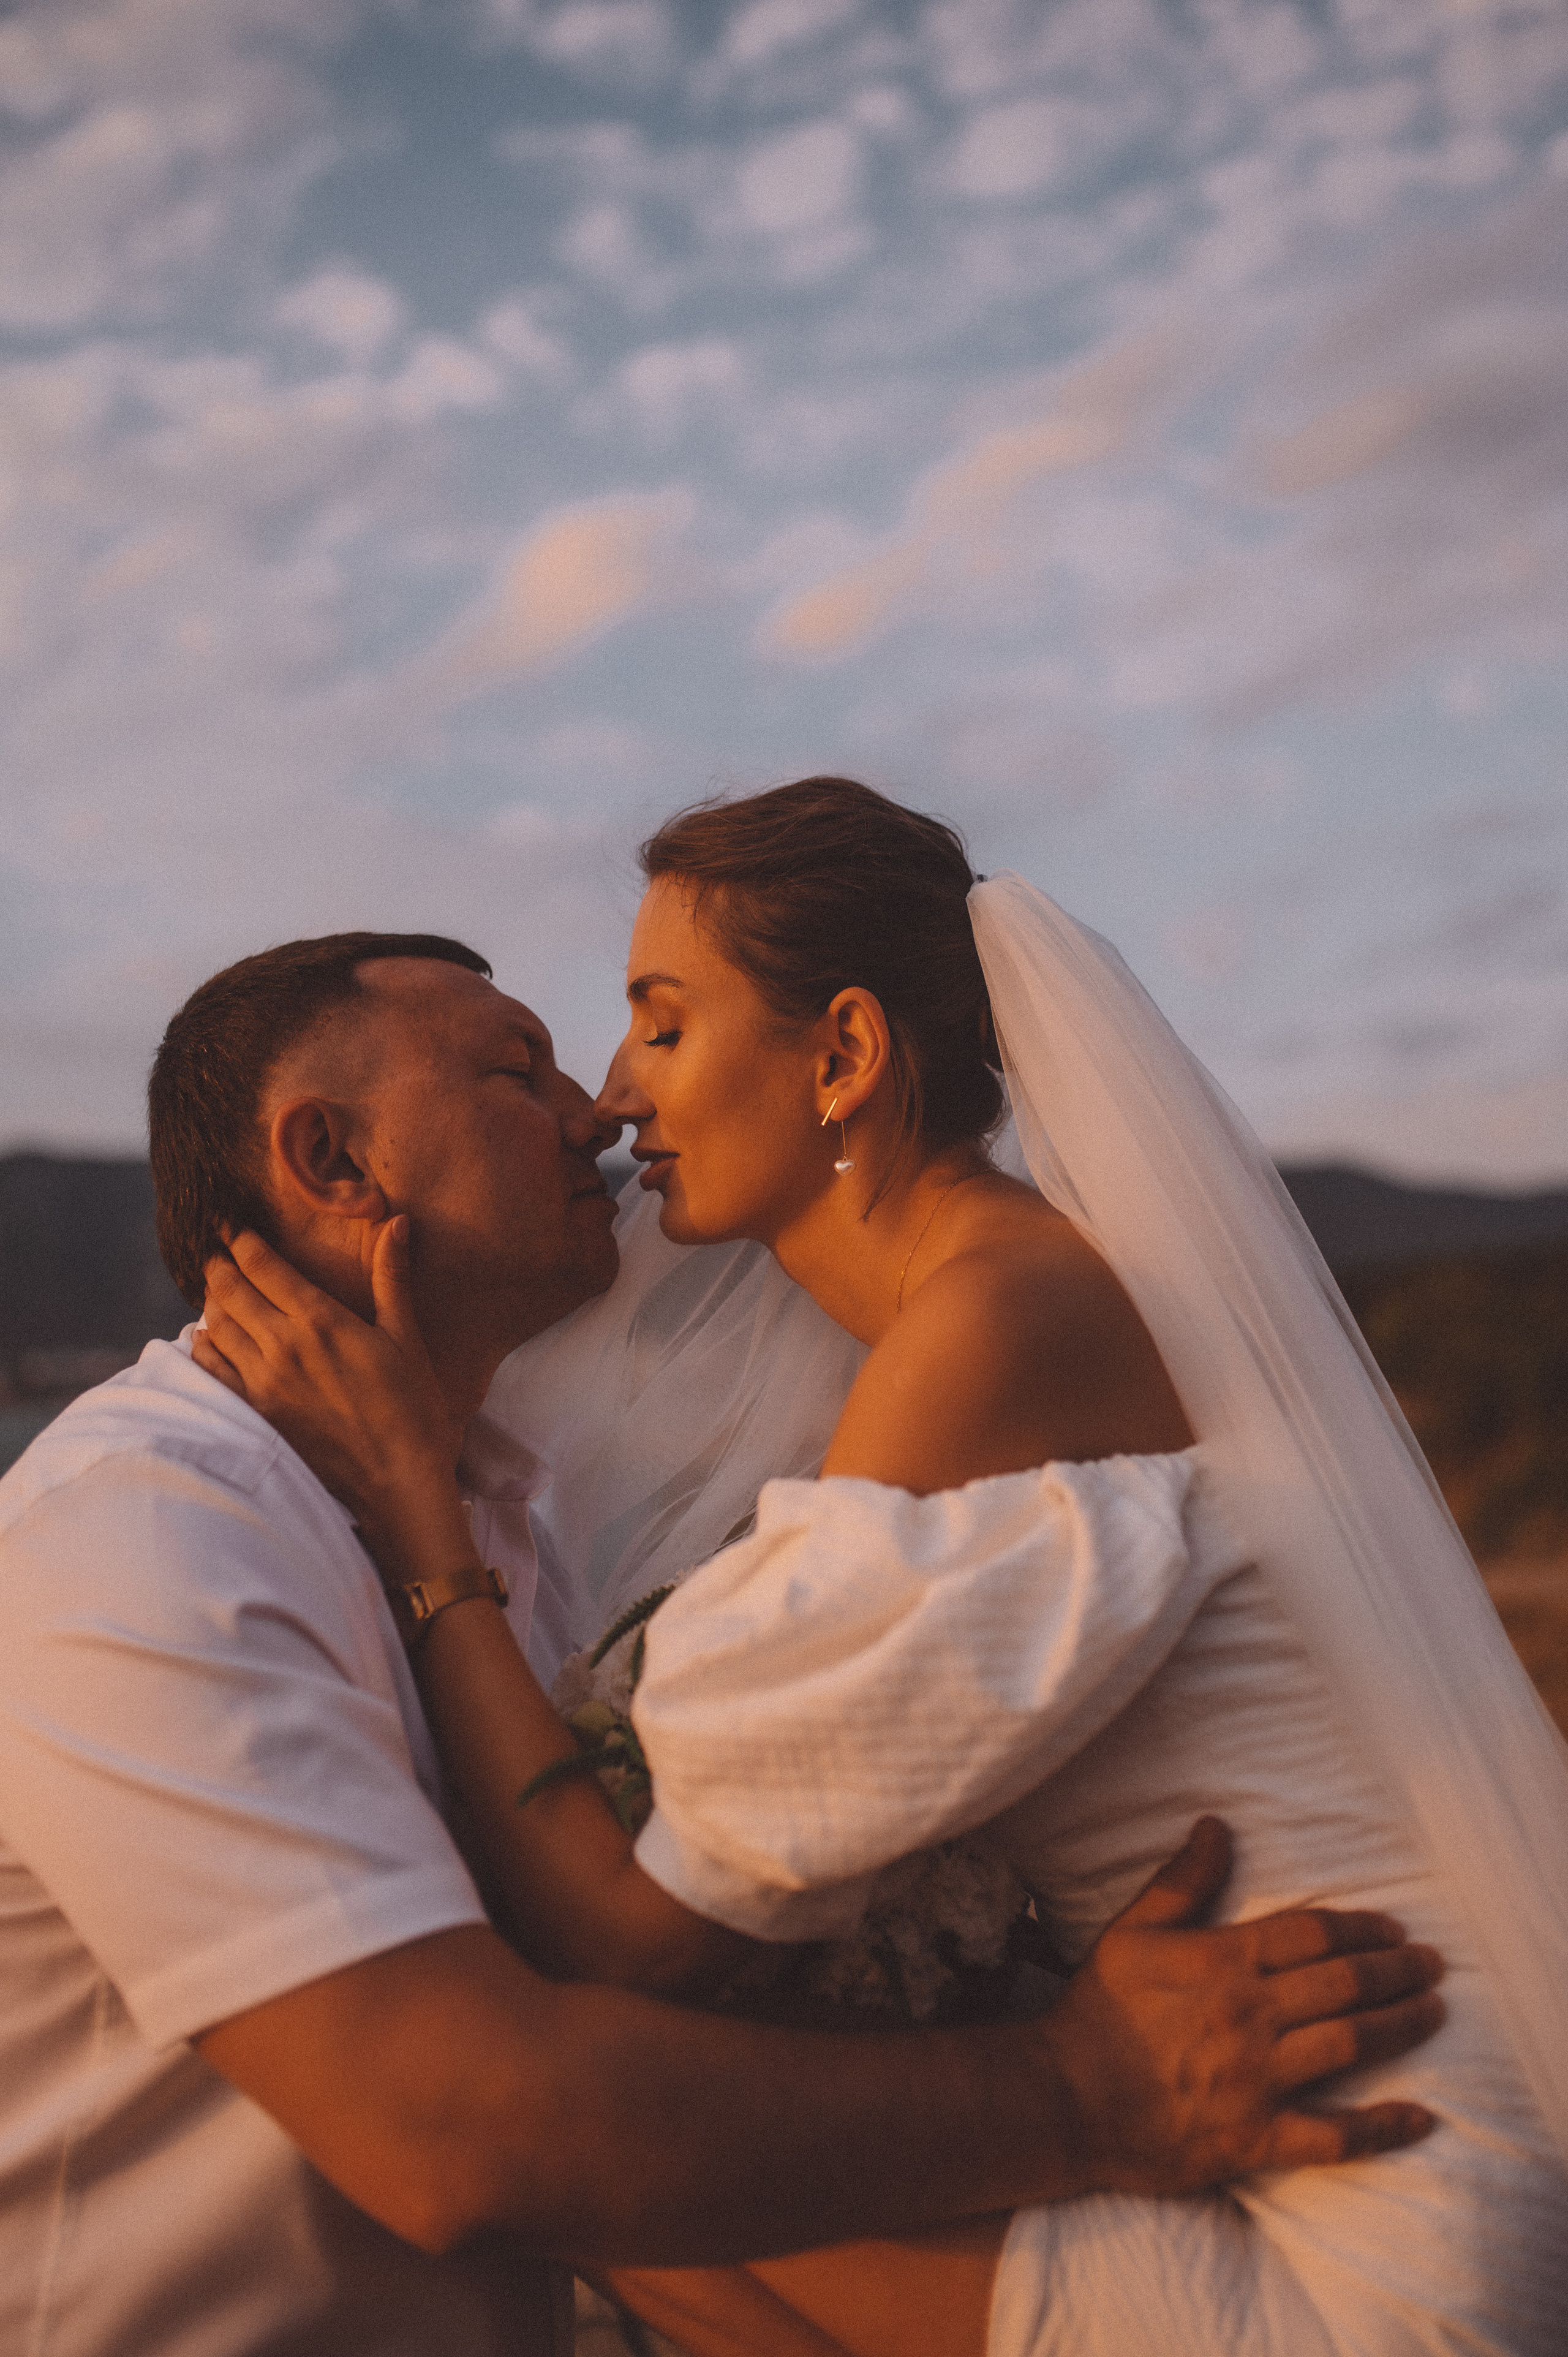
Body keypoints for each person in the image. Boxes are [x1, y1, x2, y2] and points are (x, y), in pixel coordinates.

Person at [194, 779, 1568, 2357]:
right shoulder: (991, 1293)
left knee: (566, 2166)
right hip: (1352, 2111)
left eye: (660, 1021)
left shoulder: (986, 1330)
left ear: (841, 1055)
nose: (610, 1097)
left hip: (1378, 2215)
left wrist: (418, 1515)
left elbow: (623, 1934)